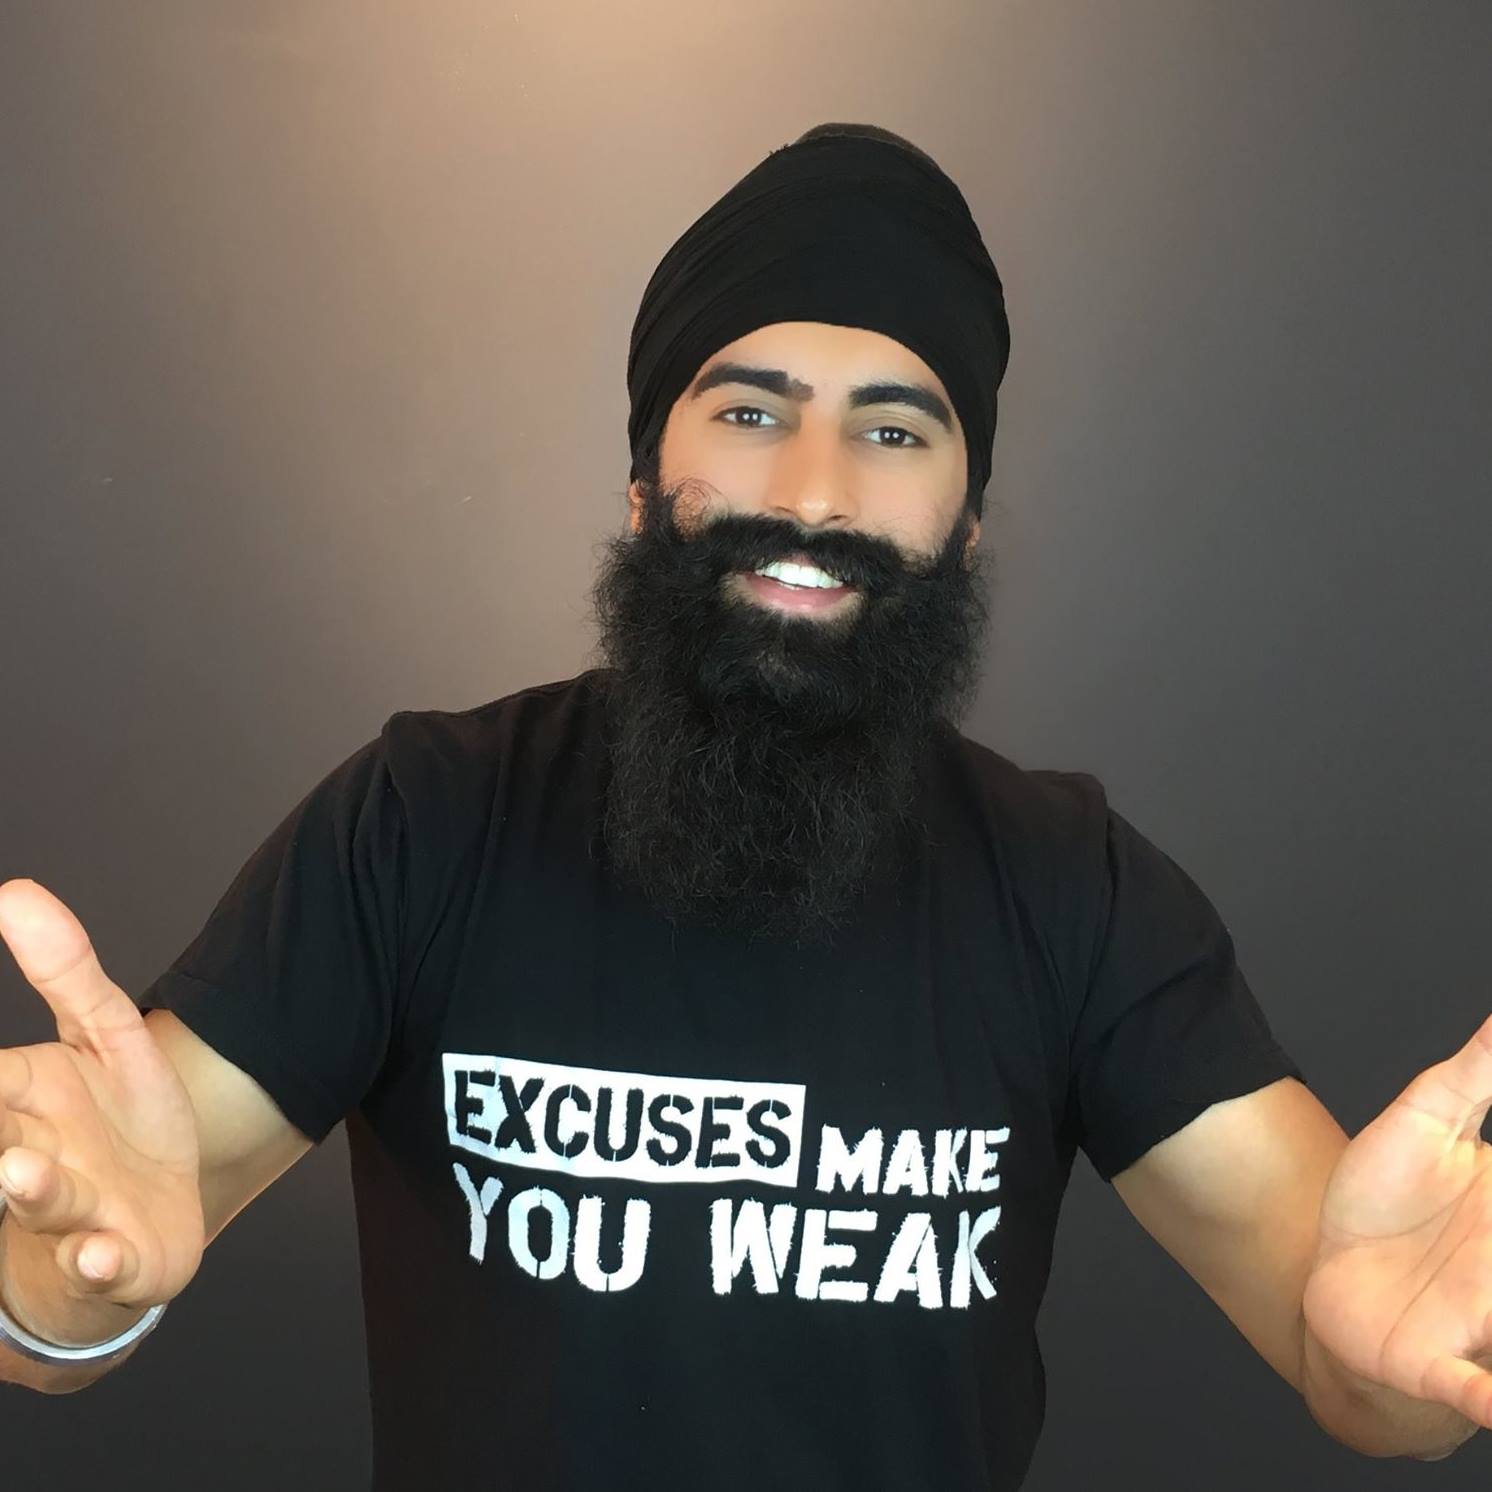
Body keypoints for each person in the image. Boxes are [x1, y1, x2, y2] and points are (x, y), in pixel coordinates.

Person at [0, 123, 1330, 1488]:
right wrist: (54, 1290)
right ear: (642, 488)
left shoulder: (1074, 886)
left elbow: (1343, 1324)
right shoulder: (424, 820)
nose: (815, 493)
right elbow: (91, 1254)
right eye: (750, 413)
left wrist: (1395, 1353)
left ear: (967, 529)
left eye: (893, 430)